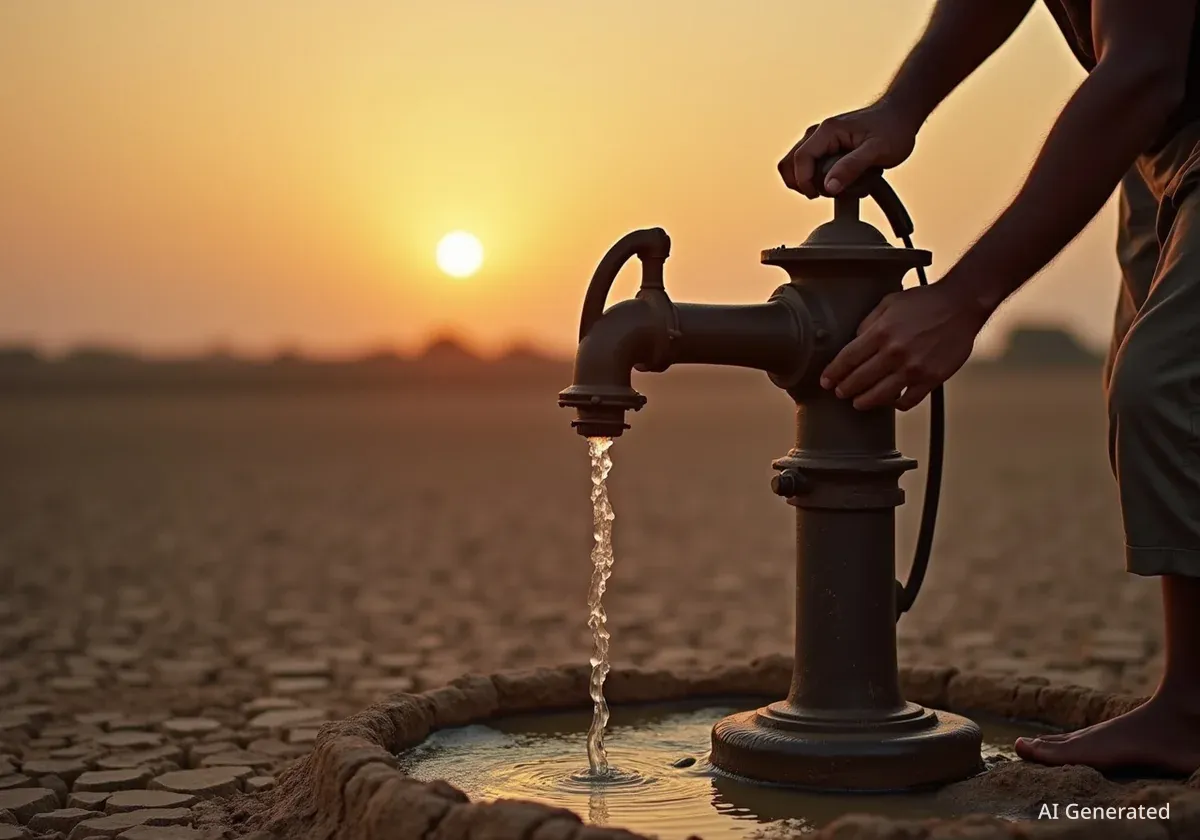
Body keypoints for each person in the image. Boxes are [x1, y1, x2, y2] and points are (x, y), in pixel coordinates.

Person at [780, 0, 1200, 776]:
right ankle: (1194, 694)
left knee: (1168, 385)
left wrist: (963, 297)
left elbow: (1142, 67)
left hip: (1160, 100)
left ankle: (1191, 713)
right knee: (1151, 386)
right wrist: (901, 106)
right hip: (1163, 144)